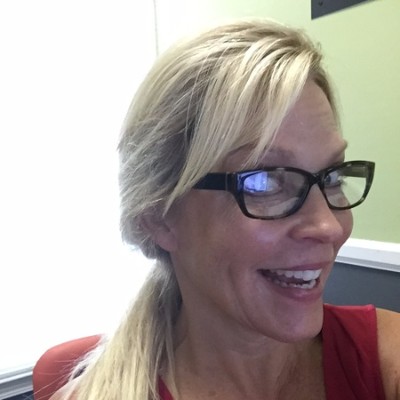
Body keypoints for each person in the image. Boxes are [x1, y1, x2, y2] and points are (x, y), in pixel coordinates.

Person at [51, 18, 400, 400]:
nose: (329, 226)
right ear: (158, 216)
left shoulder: (383, 360)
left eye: (332, 176)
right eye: (265, 181)